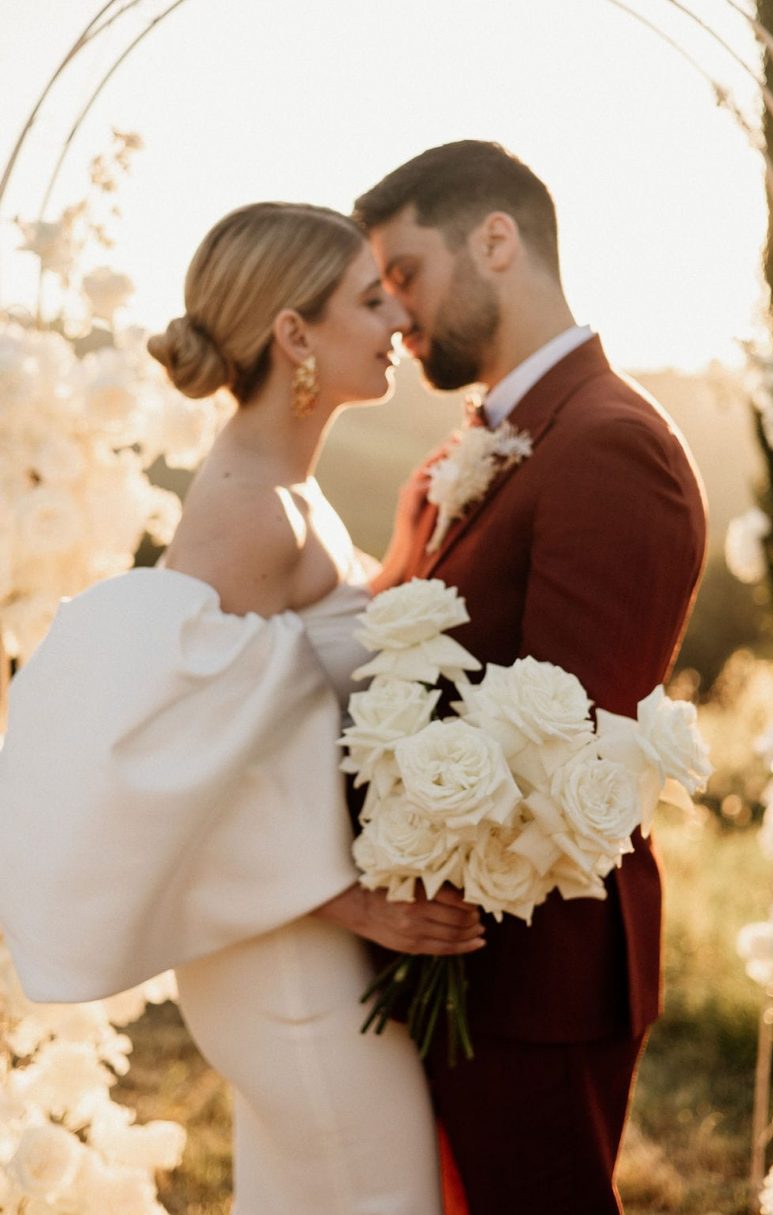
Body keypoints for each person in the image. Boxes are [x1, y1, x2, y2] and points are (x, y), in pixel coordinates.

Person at [0, 201, 485, 1215]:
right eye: (367, 299)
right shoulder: (245, 514)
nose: (396, 320)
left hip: (287, 943)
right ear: (294, 334)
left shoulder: (290, 492)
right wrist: (347, 901)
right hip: (285, 965)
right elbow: (172, 772)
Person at [354, 141, 708, 1215]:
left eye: (404, 273)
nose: (393, 315)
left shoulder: (608, 445)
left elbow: (569, 747)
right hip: (446, 952)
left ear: (496, 240)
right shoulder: (479, 447)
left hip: (537, 976)